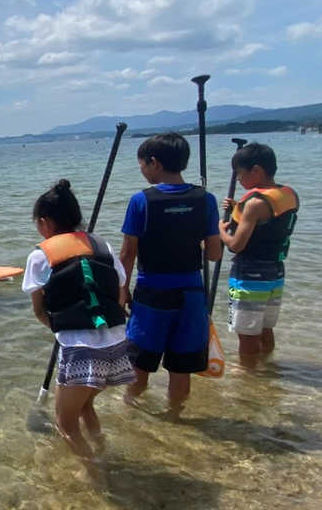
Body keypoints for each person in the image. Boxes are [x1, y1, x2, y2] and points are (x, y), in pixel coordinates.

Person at [24, 179, 134, 460]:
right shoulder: (102, 245)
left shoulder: (40, 256)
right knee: (85, 406)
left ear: (45, 222)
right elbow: (120, 293)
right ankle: (102, 451)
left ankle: (97, 478)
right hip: (118, 346)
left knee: (65, 424)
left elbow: (40, 311)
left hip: (81, 350)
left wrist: (63, 330)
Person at [118, 133, 222, 416]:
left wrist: (121, 290)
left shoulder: (141, 201)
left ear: (154, 163)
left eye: (141, 163)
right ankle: (175, 417)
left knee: (140, 365)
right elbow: (214, 254)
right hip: (192, 294)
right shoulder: (206, 199)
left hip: (152, 294)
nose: (141, 169)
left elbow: (128, 252)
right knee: (181, 368)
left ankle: (131, 414)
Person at [218, 142, 299, 368]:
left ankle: (248, 373)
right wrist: (237, 207)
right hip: (275, 270)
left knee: (246, 333)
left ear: (256, 170)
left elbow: (236, 245)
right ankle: (267, 363)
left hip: (250, 274)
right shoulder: (289, 194)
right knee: (264, 327)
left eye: (240, 174)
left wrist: (221, 231)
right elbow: (268, 221)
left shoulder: (253, 204)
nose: (238, 180)